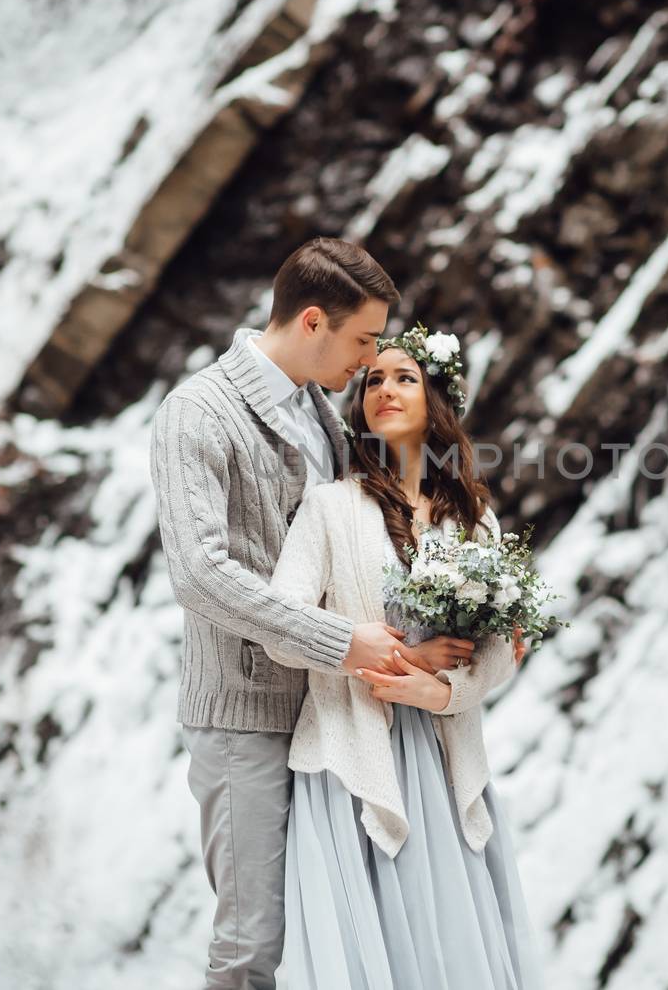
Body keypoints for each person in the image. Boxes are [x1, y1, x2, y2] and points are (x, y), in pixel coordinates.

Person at [149, 238, 479, 989]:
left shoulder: (320, 412)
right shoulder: (196, 413)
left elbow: (363, 542)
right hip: (247, 717)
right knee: (250, 942)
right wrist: (342, 643)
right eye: (363, 340)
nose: (370, 362)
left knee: (350, 929)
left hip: (335, 717)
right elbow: (200, 574)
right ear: (311, 322)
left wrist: (452, 631)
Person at [265, 323, 543, 989]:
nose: (384, 389)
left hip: (446, 759)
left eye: (404, 378)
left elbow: (505, 648)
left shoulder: (474, 519)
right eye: (374, 380)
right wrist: (384, 653)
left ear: (437, 401)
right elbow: (280, 624)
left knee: (452, 949)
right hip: (355, 753)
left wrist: (445, 691)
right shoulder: (330, 508)